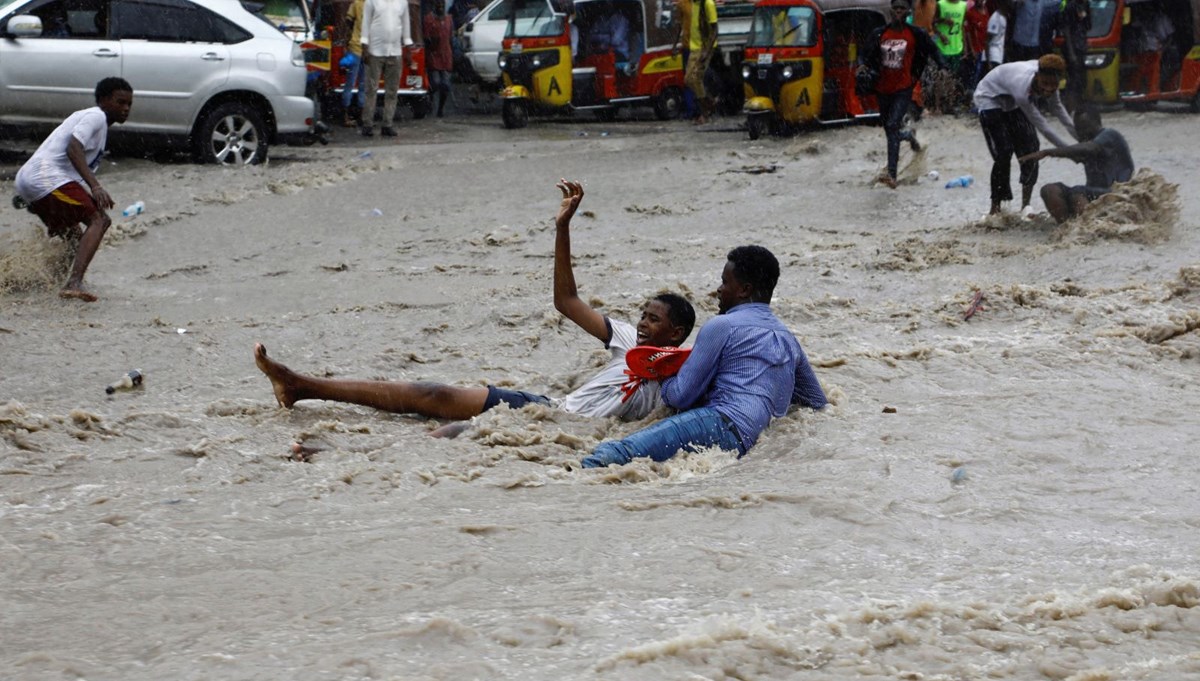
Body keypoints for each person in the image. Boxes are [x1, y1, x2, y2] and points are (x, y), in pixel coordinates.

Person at [254, 180, 697, 431]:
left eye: (652, 320)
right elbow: (566, 301)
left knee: (443, 434)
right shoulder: (625, 340)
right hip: (546, 408)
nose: (640, 324)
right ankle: (301, 385)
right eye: (641, 315)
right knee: (434, 393)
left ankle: (325, 443)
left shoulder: (686, 375)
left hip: (565, 432)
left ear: (676, 334)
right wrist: (562, 228)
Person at [581, 245, 827, 469]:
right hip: (751, 442)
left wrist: (662, 370)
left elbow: (681, 396)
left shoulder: (722, 325)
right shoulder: (788, 338)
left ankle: (565, 493)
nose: (718, 290)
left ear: (744, 290)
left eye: (724, 282)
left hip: (719, 423)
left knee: (615, 453)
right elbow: (816, 402)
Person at [13, 77, 133, 302]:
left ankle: (49, 281)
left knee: (75, 237)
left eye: (129, 104)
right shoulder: (96, 116)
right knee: (100, 221)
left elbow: (70, 166)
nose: (126, 109)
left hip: (34, 182)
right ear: (104, 100)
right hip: (45, 179)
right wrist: (95, 186)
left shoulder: (98, 127)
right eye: (120, 102)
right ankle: (74, 282)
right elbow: (73, 147)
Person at [973, 54, 1076, 215]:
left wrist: (1084, 141)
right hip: (989, 97)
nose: (1048, 89)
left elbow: (1060, 112)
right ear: (1037, 76)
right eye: (1045, 84)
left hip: (1011, 101)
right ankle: (995, 208)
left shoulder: (1052, 83)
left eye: (1053, 85)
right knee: (1003, 152)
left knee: (1031, 146)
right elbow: (1044, 127)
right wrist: (1070, 151)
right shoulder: (1022, 88)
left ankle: (1025, 206)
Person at [861, 0, 943, 189]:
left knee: (891, 125)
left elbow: (932, 49)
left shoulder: (915, 33)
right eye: (895, 8)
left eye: (901, 9)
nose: (898, 12)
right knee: (890, 129)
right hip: (882, 88)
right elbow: (864, 54)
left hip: (904, 88)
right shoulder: (880, 33)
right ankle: (908, 136)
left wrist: (942, 66)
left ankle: (892, 175)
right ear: (891, 11)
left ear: (908, 12)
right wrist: (862, 66)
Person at [1018, 106, 1134, 223]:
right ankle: (1066, 229)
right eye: (1079, 129)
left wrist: (1047, 152)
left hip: (1115, 194)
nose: (1082, 133)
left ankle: (1085, 227)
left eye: (1085, 127)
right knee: (1049, 190)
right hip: (1090, 194)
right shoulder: (1085, 144)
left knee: (1077, 192)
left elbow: (1089, 148)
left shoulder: (1110, 135)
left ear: (1097, 123)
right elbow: (1076, 153)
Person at [360, 0, 417, 137]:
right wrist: (364, 46)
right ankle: (367, 124)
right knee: (371, 89)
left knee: (392, 91)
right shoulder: (372, 1)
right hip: (375, 52)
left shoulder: (402, 2)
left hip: (395, 52)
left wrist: (408, 48)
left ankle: (387, 124)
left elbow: (406, 25)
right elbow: (366, 23)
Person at [673, 0, 718, 124]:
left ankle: (704, 113)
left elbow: (715, 31)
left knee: (695, 79)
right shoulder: (693, 4)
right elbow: (683, 25)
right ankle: (709, 102)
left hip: (703, 47)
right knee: (689, 79)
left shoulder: (707, 4)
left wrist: (707, 51)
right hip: (694, 47)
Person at [1056, 0, 1090, 111]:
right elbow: (1066, 30)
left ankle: (1079, 104)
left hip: (1081, 46)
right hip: (1072, 48)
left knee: (1081, 78)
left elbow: (1088, 26)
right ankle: (1070, 105)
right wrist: (1071, 53)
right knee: (1073, 78)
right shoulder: (1069, 7)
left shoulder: (1085, 5)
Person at [424, 1, 455, 117]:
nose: (441, 8)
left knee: (446, 84)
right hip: (434, 55)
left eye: (442, 5)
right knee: (435, 82)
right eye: (438, 5)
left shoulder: (448, 20)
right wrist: (432, 41)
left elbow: (451, 38)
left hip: (446, 55)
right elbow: (426, 38)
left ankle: (440, 109)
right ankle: (430, 98)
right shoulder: (429, 19)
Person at [342, 0, 368, 127]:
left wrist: (347, 41)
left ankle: (346, 117)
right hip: (368, 49)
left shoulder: (356, 4)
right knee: (363, 85)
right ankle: (362, 117)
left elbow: (348, 22)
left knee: (350, 83)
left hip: (355, 47)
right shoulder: (375, 5)